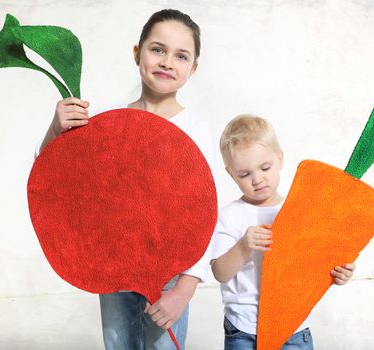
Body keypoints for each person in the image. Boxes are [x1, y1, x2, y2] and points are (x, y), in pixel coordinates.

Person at [35, 9, 217, 350]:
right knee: (118, 345)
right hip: (113, 266)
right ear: (138, 53)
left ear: (193, 69)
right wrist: (56, 130)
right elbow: (55, 177)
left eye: (181, 56)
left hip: (171, 274)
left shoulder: (195, 129)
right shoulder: (112, 124)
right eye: (157, 49)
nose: (167, 62)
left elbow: (206, 213)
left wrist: (184, 290)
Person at [210, 114, 356, 350]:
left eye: (265, 167)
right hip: (245, 330)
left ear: (280, 160)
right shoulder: (229, 216)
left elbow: (315, 263)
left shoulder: (300, 210)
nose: (257, 179)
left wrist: (338, 273)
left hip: (293, 327)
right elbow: (220, 273)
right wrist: (244, 246)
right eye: (244, 174)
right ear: (231, 174)